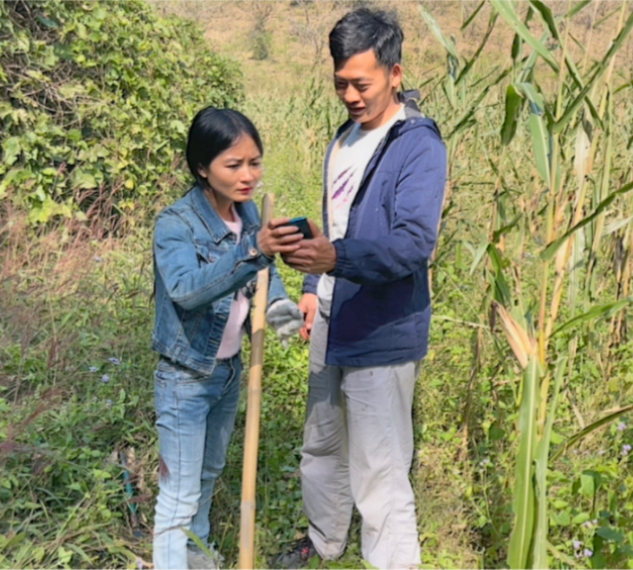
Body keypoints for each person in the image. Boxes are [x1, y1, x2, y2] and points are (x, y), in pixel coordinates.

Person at [278, 8, 447, 569]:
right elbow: (336, 222)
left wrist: (336, 258)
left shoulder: (417, 145)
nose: (349, 95)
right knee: (322, 446)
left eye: (362, 84)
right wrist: (310, 281)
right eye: (340, 84)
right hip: (331, 317)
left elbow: (413, 244)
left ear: (395, 74)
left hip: (382, 329)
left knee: (380, 470)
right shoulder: (344, 137)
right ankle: (324, 540)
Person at [151, 107, 305, 570]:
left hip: (229, 370)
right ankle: (172, 562)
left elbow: (263, 278)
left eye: (254, 163)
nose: (247, 176)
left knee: (208, 473)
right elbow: (186, 289)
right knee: (178, 490)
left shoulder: (249, 212)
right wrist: (253, 250)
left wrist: (285, 318)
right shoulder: (175, 224)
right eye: (233, 165)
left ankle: (194, 557)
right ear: (202, 167)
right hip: (186, 376)